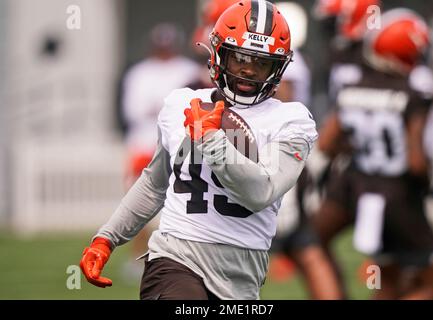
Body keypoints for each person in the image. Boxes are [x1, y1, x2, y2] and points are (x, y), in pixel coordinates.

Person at [79, 0, 317, 300]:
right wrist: (107, 238)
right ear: (218, 54)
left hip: (242, 275)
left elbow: (261, 192)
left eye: (261, 63)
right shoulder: (181, 103)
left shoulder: (291, 120)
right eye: (239, 58)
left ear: (278, 67)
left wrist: (212, 139)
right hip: (176, 258)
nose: (248, 70)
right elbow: (154, 184)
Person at [313, 9, 433, 299]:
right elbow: (416, 161)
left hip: (358, 187)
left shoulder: (351, 87)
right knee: (430, 282)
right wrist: (429, 183)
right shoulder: (413, 92)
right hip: (399, 194)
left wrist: (356, 146)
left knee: (386, 278)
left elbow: (326, 144)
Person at [118, 23, 200, 281]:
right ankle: (138, 256)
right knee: (139, 200)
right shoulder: (138, 73)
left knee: (182, 202)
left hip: (179, 143)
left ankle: (179, 257)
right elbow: (132, 110)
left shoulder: (188, 69)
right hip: (144, 143)